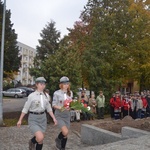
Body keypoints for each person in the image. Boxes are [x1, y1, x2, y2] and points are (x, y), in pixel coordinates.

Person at [17, 77, 57, 150]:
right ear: (37, 84)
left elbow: (49, 108)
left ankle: (34, 143)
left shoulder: (47, 96)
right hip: (33, 118)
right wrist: (20, 120)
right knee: (40, 137)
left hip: (43, 118)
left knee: (40, 140)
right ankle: (32, 141)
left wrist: (54, 118)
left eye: (44, 84)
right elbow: (25, 108)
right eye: (41, 84)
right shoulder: (32, 96)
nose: (43, 86)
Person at [52, 76, 73, 150]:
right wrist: (61, 107)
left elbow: (70, 104)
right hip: (59, 115)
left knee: (65, 134)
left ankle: (62, 148)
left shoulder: (70, 93)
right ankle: (58, 139)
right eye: (64, 84)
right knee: (65, 131)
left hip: (67, 115)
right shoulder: (57, 93)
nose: (66, 85)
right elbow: (53, 105)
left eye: (67, 84)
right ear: (61, 85)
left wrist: (72, 107)